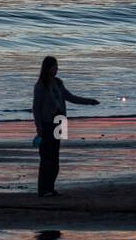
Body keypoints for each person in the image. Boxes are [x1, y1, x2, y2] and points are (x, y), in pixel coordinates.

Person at [31, 55, 98, 197]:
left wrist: (89, 101)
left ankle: (51, 187)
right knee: (46, 157)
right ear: (47, 68)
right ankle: (43, 189)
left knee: (55, 156)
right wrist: (38, 126)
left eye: (57, 66)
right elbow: (36, 108)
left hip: (60, 121)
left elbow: (71, 97)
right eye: (54, 66)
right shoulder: (40, 86)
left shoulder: (59, 83)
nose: (56, 69)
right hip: (47, 122)